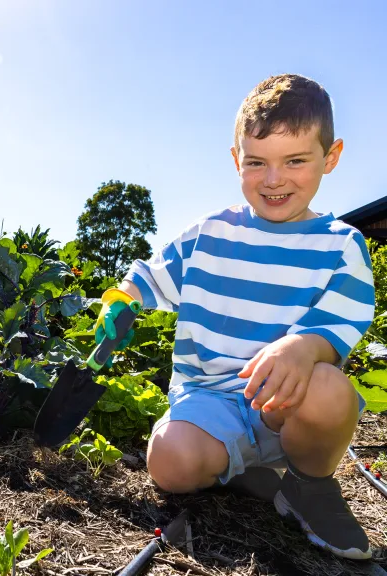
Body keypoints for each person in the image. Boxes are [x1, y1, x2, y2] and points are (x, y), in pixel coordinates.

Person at [96, 74, 375, 559]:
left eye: (295, 160)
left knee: (331, 389)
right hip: (210, 399)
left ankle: (310, 486)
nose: (274, 179)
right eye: (256, 162)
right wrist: (119, 300)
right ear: (235, 160)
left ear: (330, 158)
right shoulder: (210, 235)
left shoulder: (340, 246)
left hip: (287, 405)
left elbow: (338, 329)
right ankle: (246, 472)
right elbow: (148, 278)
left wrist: (302, 348)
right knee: (168, 463)